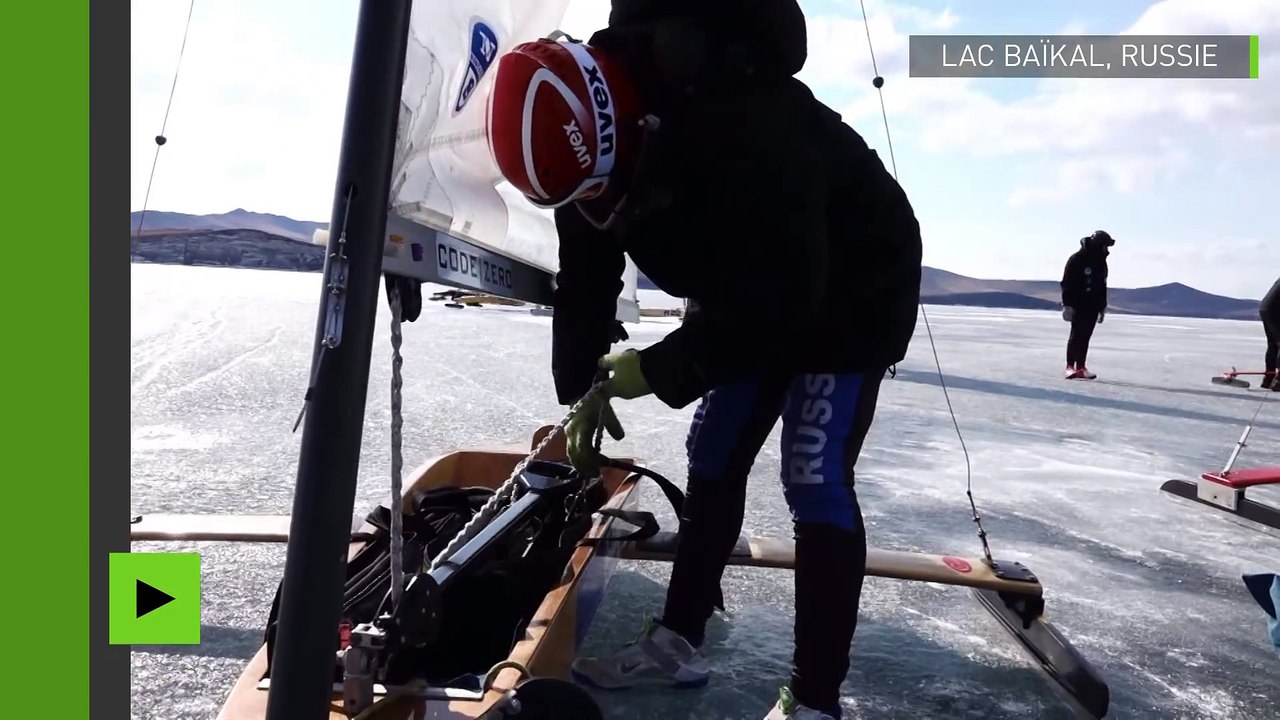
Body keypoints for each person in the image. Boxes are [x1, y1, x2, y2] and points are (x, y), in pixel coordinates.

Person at [485, 3, 923, 719]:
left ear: (629, 122)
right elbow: (588, 275)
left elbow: (783, 296)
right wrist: (583, 386)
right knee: (714, 448)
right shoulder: (585, 147)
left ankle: (814, 702)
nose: (596, 204)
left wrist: (656, 369)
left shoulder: (749, 125)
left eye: (601, 186)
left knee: (812, 475)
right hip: (749, 283)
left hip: (853, 286)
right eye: (579, 197)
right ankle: (679, 641)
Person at [1060, 230, 1114, 380]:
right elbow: (1066, 283)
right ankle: (1070, 367)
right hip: (1078, 305)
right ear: (1098, 245)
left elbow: (1102, 286)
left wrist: (1102, 307)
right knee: (1076, 335)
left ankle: (1081, 367)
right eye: (1104, 246)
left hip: (1093, 305)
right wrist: (1067, 305)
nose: (1106, 250)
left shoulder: (1101, 263)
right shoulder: (1076, 259)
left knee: (1085, 337)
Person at [1260, 276, 1280, 390]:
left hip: (1266, 308)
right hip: (1275, 310)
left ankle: (1269, 378)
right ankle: (1278, 381)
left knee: (1273, 344)